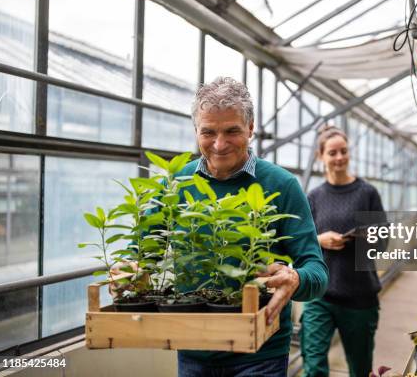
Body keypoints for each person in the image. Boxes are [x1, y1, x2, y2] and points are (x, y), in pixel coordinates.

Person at [113, 77, 328, 377]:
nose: (219, 144)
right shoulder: (176, 185)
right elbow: (141, 252)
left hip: (260, 353)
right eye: (208, 132)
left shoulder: (282, 185)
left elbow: (317, 273)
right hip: (193, 348)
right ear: (196, 131)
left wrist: (295, 277)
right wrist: (130, 270)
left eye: (232, 131)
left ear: (251, 128)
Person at [300, 125, 385, 377]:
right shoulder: (313, 197)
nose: (339, 158)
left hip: (359, 296)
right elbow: (301, 242)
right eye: (332, 153)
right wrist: (319, 240)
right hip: (319, 296)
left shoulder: (367, 193)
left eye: (344, 151)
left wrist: (359, 238)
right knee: (313, 368)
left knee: (360, 370)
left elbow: (382, 242)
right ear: (321, 156)